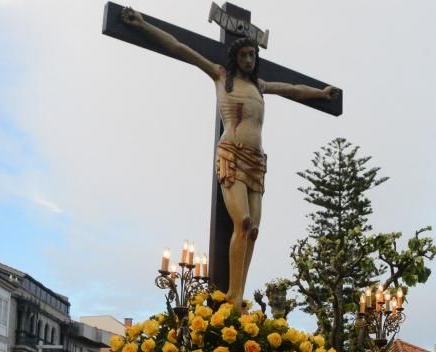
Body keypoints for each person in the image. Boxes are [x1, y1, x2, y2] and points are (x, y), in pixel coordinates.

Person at [121, 6, 339, 308]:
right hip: (231, 154)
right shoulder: (221, 76)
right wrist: (143, 25)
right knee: (243, 221)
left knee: (254, 232)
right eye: (243, 55)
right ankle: (233, 296)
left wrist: (321, 93)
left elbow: (292, 89)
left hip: (256, 161)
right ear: (234, 58)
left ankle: (239, 291)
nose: (249, 60)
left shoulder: (259, 86)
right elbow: (180, 47)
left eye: (252, 55)